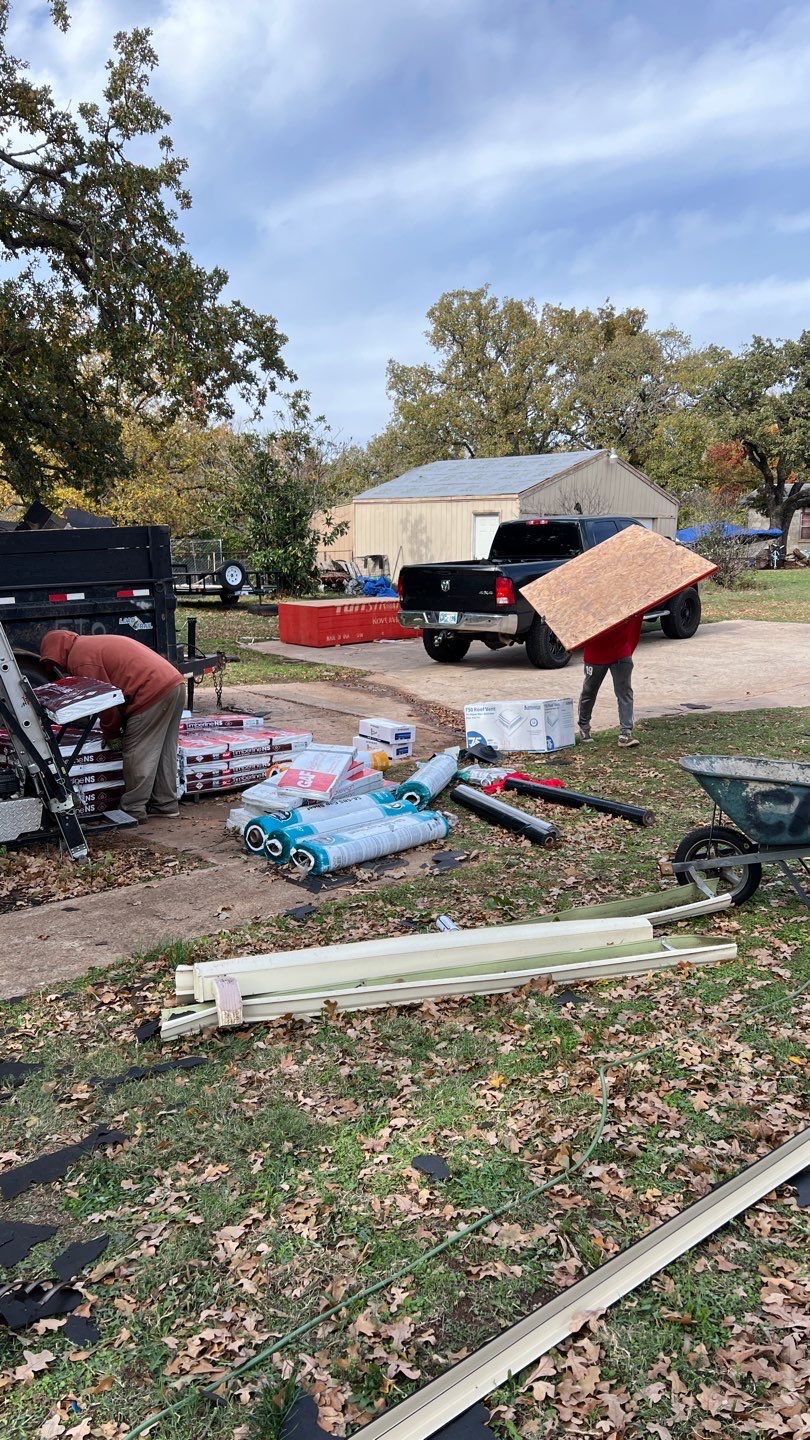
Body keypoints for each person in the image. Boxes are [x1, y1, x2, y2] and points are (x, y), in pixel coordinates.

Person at [40, 631, 185, 821]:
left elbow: (105, 702)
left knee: (137, 751)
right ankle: (166, 804)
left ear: (56, 651)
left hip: (151, 692)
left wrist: (112, 734)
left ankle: (133, 809)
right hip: (174, 684)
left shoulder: (80, 659)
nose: (59, 669)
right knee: (165, 750)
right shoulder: (88, 644)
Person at [577, 612, 643, 748]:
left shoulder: (631, 597)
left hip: (621, 651)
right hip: (596, 652)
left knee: (624, 692)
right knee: (589, 691)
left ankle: (626, 733)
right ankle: (584, 727)